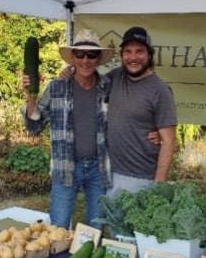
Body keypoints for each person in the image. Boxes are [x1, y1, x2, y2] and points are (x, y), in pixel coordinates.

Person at [21, 29, 113, 229]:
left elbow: (128, 119)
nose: (85, 60)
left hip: (99, 169)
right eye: (80, 54)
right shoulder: (57, 87)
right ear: (73, 57)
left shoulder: (108, 87)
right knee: (58, 227)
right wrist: (31, 96)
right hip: (65, 166)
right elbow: (33, 127)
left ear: (98, 59)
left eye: (91, 54)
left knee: (95, 228)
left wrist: (153, 134)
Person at [105, 26, 177, 197]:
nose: (133, 57)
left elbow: (169, 142)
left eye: (139, 51)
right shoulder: (114, 77)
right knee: (109, 224)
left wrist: (157, 188)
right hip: (108, 174)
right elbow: (87, 83)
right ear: (121, 55)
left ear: (149, 55)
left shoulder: (159, 90)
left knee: (131, 225)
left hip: (140, 180)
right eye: (128, 51)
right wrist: (69, 72)